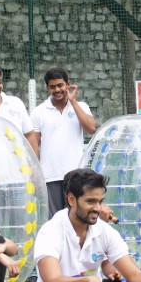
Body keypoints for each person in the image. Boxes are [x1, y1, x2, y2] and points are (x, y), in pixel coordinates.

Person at [31, 67, 98, 215]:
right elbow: (34, 144)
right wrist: (35, 172)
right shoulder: (39, 112)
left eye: (60, 85)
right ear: (47, 88)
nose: (57, 90)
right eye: (52, 87)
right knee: (54, 220)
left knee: (77, 216)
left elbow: (92, 128)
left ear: (68, 84)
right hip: (50, 175)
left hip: (76, 175)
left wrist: (73, 102)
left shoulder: (81, 106)